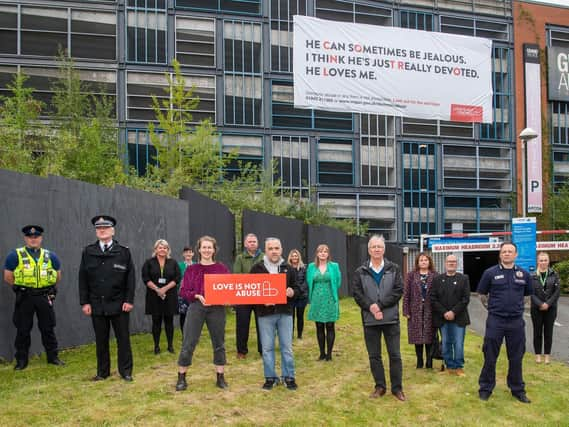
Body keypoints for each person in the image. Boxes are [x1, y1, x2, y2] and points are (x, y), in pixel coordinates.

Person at [79, 215, 135, 382]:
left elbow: (130, 278)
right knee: (101, 340)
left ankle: (125, 372)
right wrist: (85, 302)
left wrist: (129, 300)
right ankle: (102, 372)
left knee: (123, 339)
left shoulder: (123, 252)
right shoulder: (88, 252)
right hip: (97, 303)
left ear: (112, 230)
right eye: (98, 228)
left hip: (119, 303)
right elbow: (83, 278)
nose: (101, 230)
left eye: (105, 227)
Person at [477, 242, 532, 403]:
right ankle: (486, 388)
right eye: (504, 251)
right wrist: (493, 309)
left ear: (516, 255)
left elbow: (527, 296)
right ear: (500, 255)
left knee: (516, 357)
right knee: (490, 355)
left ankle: (517, 389)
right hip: (496, 320)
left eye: (510, 251)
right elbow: (482, 294)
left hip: (516, 322)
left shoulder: (523, 274)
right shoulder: (490, 273)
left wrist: (518, 308)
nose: (507, 254)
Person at [3, 225, 64, 370]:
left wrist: (47, 288)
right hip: (25, 297)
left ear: (41, 238)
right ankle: (22, 361)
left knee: (48, 327)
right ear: (25, 238)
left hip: (44, 296)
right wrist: (21, 288)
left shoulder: (50, 255)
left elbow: (57, 275)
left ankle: (53, 357)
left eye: (36, 237)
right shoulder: (15, 255)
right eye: (30, 237)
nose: (33, 239)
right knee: (23, 329)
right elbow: (7, 276)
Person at [353, 235, 405, 401]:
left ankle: (397, 388)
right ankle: (380, 386)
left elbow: (398, 291)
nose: (376, 249)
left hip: (391, 319)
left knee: (395, 355)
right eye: (373, 247)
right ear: (369, 250)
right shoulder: (360, 271)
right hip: (370, 320)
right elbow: (357, 294)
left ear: (384, 249)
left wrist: (380, 305)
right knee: (374, 356)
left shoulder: (394, 268)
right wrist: (371, 307)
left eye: (379, 247)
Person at [176, 236, 230, 391]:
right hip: (196, 307)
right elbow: (183, 291)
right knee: (189, 342)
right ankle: (181, 377)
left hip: (217, 308)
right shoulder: (192, 269)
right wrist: (197, 296)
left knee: (219, 343)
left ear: (214, 249)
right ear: (198, 249)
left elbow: (229, 289)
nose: (207, 250)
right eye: (204, 247)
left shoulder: (221, 269)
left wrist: (226, 299)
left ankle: (220, 377)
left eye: (209, 247)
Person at [251, 237, 299, 391]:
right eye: (270, 248)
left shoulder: (289, 269)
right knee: (267, 348)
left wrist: (292, 292)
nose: (274, 251)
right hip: (265, 314)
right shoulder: (257, 269)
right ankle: (270, 377)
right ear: (266, 250)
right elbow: (250, 292)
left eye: (276, 248)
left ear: (281, 250)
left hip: (285, 313)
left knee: (287, 347)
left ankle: (289, 377)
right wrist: (261, 300)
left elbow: (299, 289)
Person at [430, 254, 470, 376]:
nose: (451, 263)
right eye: (449, 261)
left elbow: (465, 299)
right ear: (445, 263)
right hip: (443, 318)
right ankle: (449, 366)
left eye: (453, 261)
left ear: (456, 264)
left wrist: (453, 312)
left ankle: (458, 366)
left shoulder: (463, 279)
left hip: (459, 318)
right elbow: (433, 298)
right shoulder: (437, 279)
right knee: (446, 342)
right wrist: (444, 312)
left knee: (458, 343)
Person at [142, 239, 181, 354]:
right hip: (154, 296)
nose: (162, 249)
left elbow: (177, 278)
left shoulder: (173, 262)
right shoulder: (149, 262)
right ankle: (156, 346)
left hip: (169, 295)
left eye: (164, 247)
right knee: (156, 321)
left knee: (169, 321)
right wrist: (157, 289)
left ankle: (170, 346)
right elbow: (146, 278)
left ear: (168, 250)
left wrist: (164, 289)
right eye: (160, 247)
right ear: (155, 249)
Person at [306, 244, 341, 361]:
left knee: (330, 325)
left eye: (325, 251)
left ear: (328, 254)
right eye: (321, 251)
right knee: (319, 326)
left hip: (330, 298)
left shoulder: (334, 266)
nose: (323, 253)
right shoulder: (311, 267)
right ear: (317, 253)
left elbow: (338, 281)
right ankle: (322, 353)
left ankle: (329, 354)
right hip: (316, 299)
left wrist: (331, 292)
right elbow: (309, 281)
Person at [403, 252, 437, 369]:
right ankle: (419, 361)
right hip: (415, 310)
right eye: (421, 260)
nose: (423, 262)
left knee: (429, 336)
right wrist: (406, 311)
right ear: (417, 262)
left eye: (425, 260)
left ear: (429, 262)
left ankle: (429, 362)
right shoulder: (411, 275)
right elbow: (406, 294)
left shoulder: (435, 275)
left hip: (430, 310)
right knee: (417, 336)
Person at [233, 233, 264, 359]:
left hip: (261, 296)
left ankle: (263, 350)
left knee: (262, 324)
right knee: (242, 324)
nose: (252, 243)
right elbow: (237, 275)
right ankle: (241, 351)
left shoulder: (264, 257)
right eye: (250, 241)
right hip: (244, 296)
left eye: (254, 241)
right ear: (245, 244)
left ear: (257, 243)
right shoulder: (240, 258)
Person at [530, 252, 561, 365]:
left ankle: (547, 356)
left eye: (545, 260)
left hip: (551, 308)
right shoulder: (532, 276)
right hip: (536, 308)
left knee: (548, 332)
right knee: (537, 332)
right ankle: (538, 355)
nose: (543, 262)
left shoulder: (554, 275)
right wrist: (540, 304)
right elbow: (531, 293)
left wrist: (547, 304)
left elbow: (557, 292)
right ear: (538, 261)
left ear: (548, 261)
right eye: (541, 260)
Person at [288, 249, 308, 339]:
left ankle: (299, 335)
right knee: (290, 317)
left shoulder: (304, 268)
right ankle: (290, 335)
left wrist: (299, 290)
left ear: (298, 257)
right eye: (293, 256)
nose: (294, 257)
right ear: (290, 257)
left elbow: (306, 281)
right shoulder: (287, 268)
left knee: (300, 316)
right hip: (291, 297)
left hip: (301, 296)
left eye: (296, 256)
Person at [177, 246, 194, 333]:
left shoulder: (196, 265)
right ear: (183, 254)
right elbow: (176, 279)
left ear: (193, 254)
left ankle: (192, 334)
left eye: (190, 252)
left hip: (194, 295)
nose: (188, 254)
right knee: (183, 315)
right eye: (186, 252)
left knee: (193, 315)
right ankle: (184, 334)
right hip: (182, 295)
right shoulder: (179, 265)